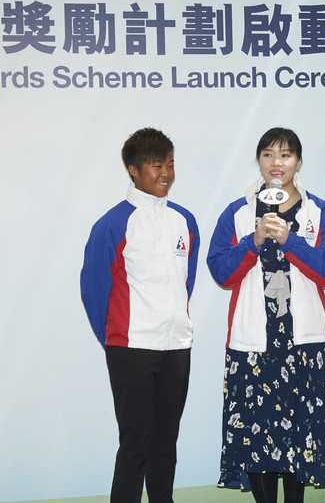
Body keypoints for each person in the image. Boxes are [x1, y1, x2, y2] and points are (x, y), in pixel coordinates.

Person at [207, 127, 325, 503]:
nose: (276, 163)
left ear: (298, 162)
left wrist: (292, 241)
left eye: (285, 155)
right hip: (253, 345)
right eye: (268, 154)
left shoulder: (320, 211)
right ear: (259, 161)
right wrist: (251, 242)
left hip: (304, 344)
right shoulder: (237, 212)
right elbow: (220, 271)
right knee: (256, 438)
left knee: (301, 436)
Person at [80, 127, 199, 503]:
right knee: (136, 442)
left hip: (177, 345)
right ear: (133, 170)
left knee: (166, 441)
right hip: (130, 347)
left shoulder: (185, 221)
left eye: (170, 164)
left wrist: (173, 321)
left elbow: (186, 282)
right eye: (155, 164)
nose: (165, 172)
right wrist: (115, 339)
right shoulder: (113, 224)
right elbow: (94, 290)